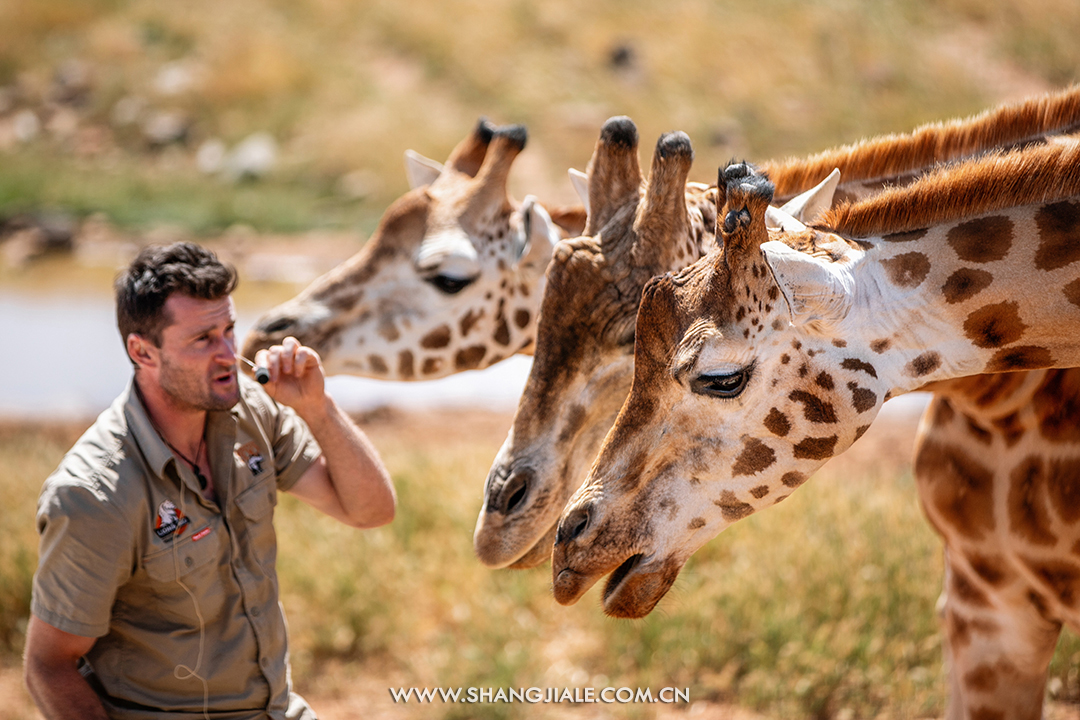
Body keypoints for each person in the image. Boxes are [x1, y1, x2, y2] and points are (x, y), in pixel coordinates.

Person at [23, 242, 396, 719]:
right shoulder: (95, 494)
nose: (228, 355)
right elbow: (48, 666)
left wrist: (317, 409)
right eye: (203, 339)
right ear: (143, 352)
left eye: (229, 331)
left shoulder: (252, 412)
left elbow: (371, 510)